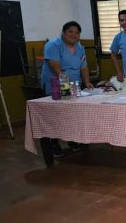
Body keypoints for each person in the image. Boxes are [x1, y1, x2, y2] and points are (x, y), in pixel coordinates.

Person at [40, 21, 94, 158]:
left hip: (74, 84)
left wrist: (87, 81)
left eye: (77, 32)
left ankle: (71, 139)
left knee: (72, 113)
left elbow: (84, 66)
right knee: (56, 115)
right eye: (70, 31)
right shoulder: (53, 45)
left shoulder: (79, 47)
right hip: (57, 84)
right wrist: (67, 85)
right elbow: (55, 67)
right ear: (63, 32)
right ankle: (53, 143)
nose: (74, 35)